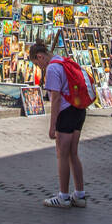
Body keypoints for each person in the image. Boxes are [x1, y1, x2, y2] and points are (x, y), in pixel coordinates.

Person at [31, 40, 87, 208]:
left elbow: (55, 99)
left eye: (37, 63)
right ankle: (80, 194)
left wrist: (52, 125)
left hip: (66, 112)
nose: (39, 67)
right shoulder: (63, 61)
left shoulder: (52, 69)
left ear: (40, 56)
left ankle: (63, 196)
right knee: (73, 153)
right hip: (79, 110)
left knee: (62, 154)